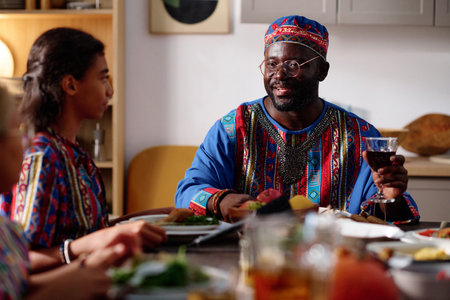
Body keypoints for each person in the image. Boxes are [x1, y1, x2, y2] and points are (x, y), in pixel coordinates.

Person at [175, 15, 420, 224]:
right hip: (249, 256)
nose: (280, 75)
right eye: (272, 64)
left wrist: (392, 197)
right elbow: (188, 192)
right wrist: (223, 200)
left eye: (294, 65)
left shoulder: (360, 135)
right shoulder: (233, 128)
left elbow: (385, 222)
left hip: (334, 260)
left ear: (322, 71)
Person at [0, 27, 166, 273]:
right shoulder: (42, 156)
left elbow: (90, 232)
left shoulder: (73, 151)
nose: (110, 90)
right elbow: (22, 261)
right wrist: (86, 246)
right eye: (102, 78)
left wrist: (143, 219)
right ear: (70, 84)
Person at [0, 84, 139, 299]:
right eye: (18, 131)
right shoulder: (42, 155)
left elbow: (18, 287)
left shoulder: (5, 230)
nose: (26, 145)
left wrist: (83, 270)